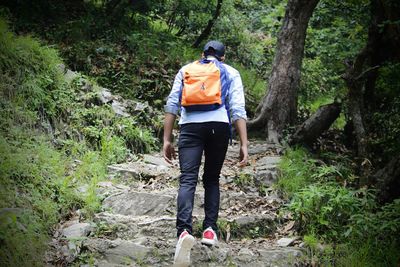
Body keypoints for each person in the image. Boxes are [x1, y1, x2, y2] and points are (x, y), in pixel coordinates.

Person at [163, 40, 248, 266]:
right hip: (219, 126)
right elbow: (238, 108)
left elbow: (173, 103)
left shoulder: (187, 69)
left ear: (202, 54)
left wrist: (166, 138)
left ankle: (183, 231)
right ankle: (209, 229)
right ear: (223, 57)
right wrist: (244, 144)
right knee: (211, 179)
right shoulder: (230, 72)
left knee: (187, 178)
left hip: (190, 126)